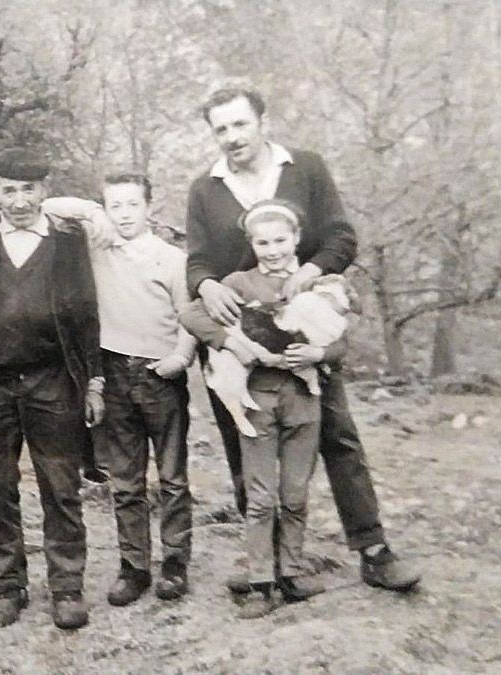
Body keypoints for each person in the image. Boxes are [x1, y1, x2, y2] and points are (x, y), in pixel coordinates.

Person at [185, 87, 420, 592]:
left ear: (262, 121)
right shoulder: (206, 188)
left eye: (240, 125)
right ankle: (266, 563)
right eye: (221, 129)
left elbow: (341, 237)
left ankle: (373, 549)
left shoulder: (305, 168)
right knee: (245, 444)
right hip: (242, 347)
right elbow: (198, 261)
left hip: (304, 339)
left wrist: (308, 272)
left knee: (338, 437)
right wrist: (205, 285)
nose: (231, 138)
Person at [0, 148, 104, 631]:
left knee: (60, 485)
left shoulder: (68, 241)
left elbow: (86, 313)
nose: (18, 201)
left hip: (52, 381)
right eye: (8, 190)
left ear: (44, 191)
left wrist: (93, 380)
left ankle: (67, 587)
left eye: (28, 189)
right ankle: (8, 585)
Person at [36, 174, 197, 606]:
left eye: (132, 205)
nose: (124, 215)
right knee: (125, 481)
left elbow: (190, 316)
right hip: (113, 374)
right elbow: (47, 205)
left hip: (160, 376)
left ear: (149, 207)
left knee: (172, 477)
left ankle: (176, 563)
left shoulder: (171, 258)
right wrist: (91, 211)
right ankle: (134, 567)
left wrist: (179, 358)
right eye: (114, 206)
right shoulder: (96, 248)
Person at [181, 200, 337, 618]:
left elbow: (343, 333)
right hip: (257, 401)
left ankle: (292, 571)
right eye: (262, 242)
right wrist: (233, 343)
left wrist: (319, 351)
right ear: (251, 243)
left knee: (295, 492)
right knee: (261, 495)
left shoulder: (316, 283)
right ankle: (260, 580)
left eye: (280, 240)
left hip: (304, 400)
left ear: (297, 239)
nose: (272, 250)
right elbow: (192, 314)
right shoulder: (238, 282)